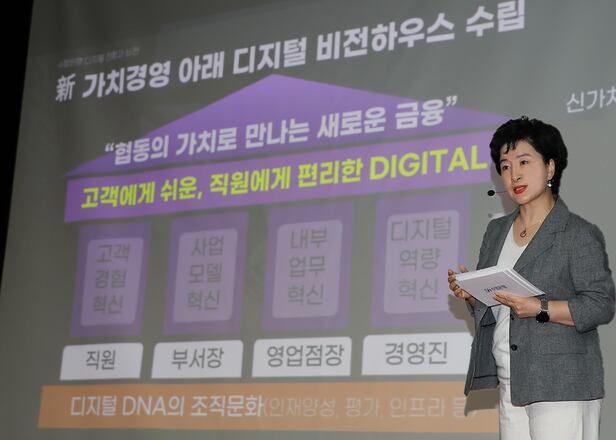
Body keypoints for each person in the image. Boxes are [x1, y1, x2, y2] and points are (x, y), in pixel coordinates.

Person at [447, 116, 615, 440]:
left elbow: (601, 304)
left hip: (561, 382)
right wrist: (472, 293)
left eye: (524, 161)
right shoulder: (496, 231)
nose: (514, 174)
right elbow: (496, 305)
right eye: (505, 166)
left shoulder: (576, 233)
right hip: (512, 379)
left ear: (550, 168)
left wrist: (540, 308)